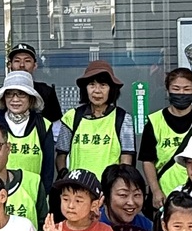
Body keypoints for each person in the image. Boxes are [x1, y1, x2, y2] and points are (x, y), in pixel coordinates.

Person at [139, 67, 192, 209]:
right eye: (176, 89)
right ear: (167, 90)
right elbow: (148, 160)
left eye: (187, 89)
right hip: (166, 196)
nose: (181, 93)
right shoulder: (155, 121)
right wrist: (155, 191)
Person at [55, 60, 135, 195]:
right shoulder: (72, 117)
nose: (97, 91)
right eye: (92, 85)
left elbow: (126, 157)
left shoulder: (122, 118)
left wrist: (119, 186)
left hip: (109, 190)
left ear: (111, 89)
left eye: (103, 85)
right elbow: (61, 155)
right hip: (78, 189)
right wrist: (65, 176)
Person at [0, 71, 55, 192]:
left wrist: (42, 195)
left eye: (21, 94)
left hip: (32, 194)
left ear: (31, 98)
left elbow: (48, 169)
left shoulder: (43, 125)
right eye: (9, 94)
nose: (15, 99)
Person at [0, 43, 63, 127]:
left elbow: (56, 126)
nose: (22, 65)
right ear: (9, 65)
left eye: (27, 61)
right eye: (17, 61)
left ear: (35, 65)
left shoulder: (46, 92)